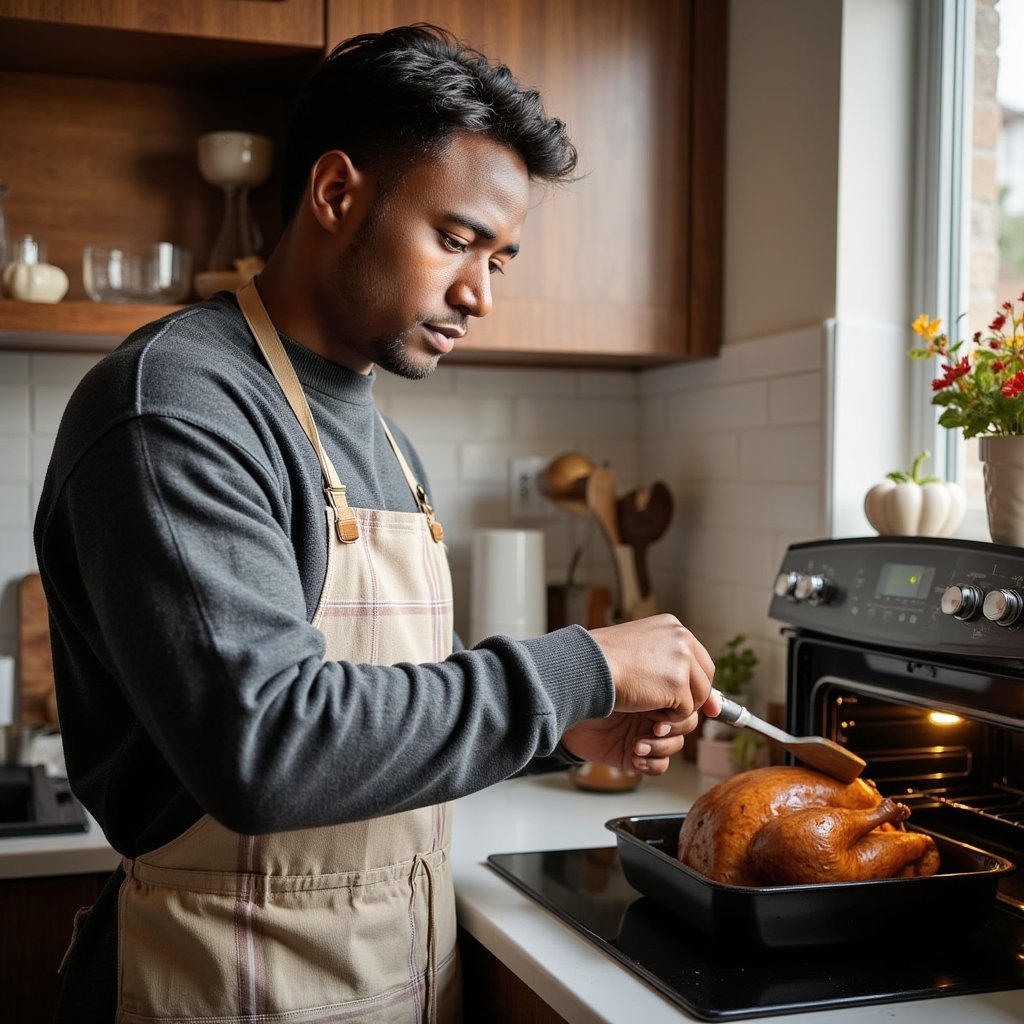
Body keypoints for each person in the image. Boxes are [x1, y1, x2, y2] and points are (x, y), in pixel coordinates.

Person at [34, 23, 717, 1024]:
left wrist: (554, 733)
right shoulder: (176, 403)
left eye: (501, 255)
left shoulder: (384, 440)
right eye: (454, 238)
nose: (480, 292)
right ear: (337, 194)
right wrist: (580, 666)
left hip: (395, 979)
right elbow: (267, 747)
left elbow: (384, 706)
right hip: (216, 984)